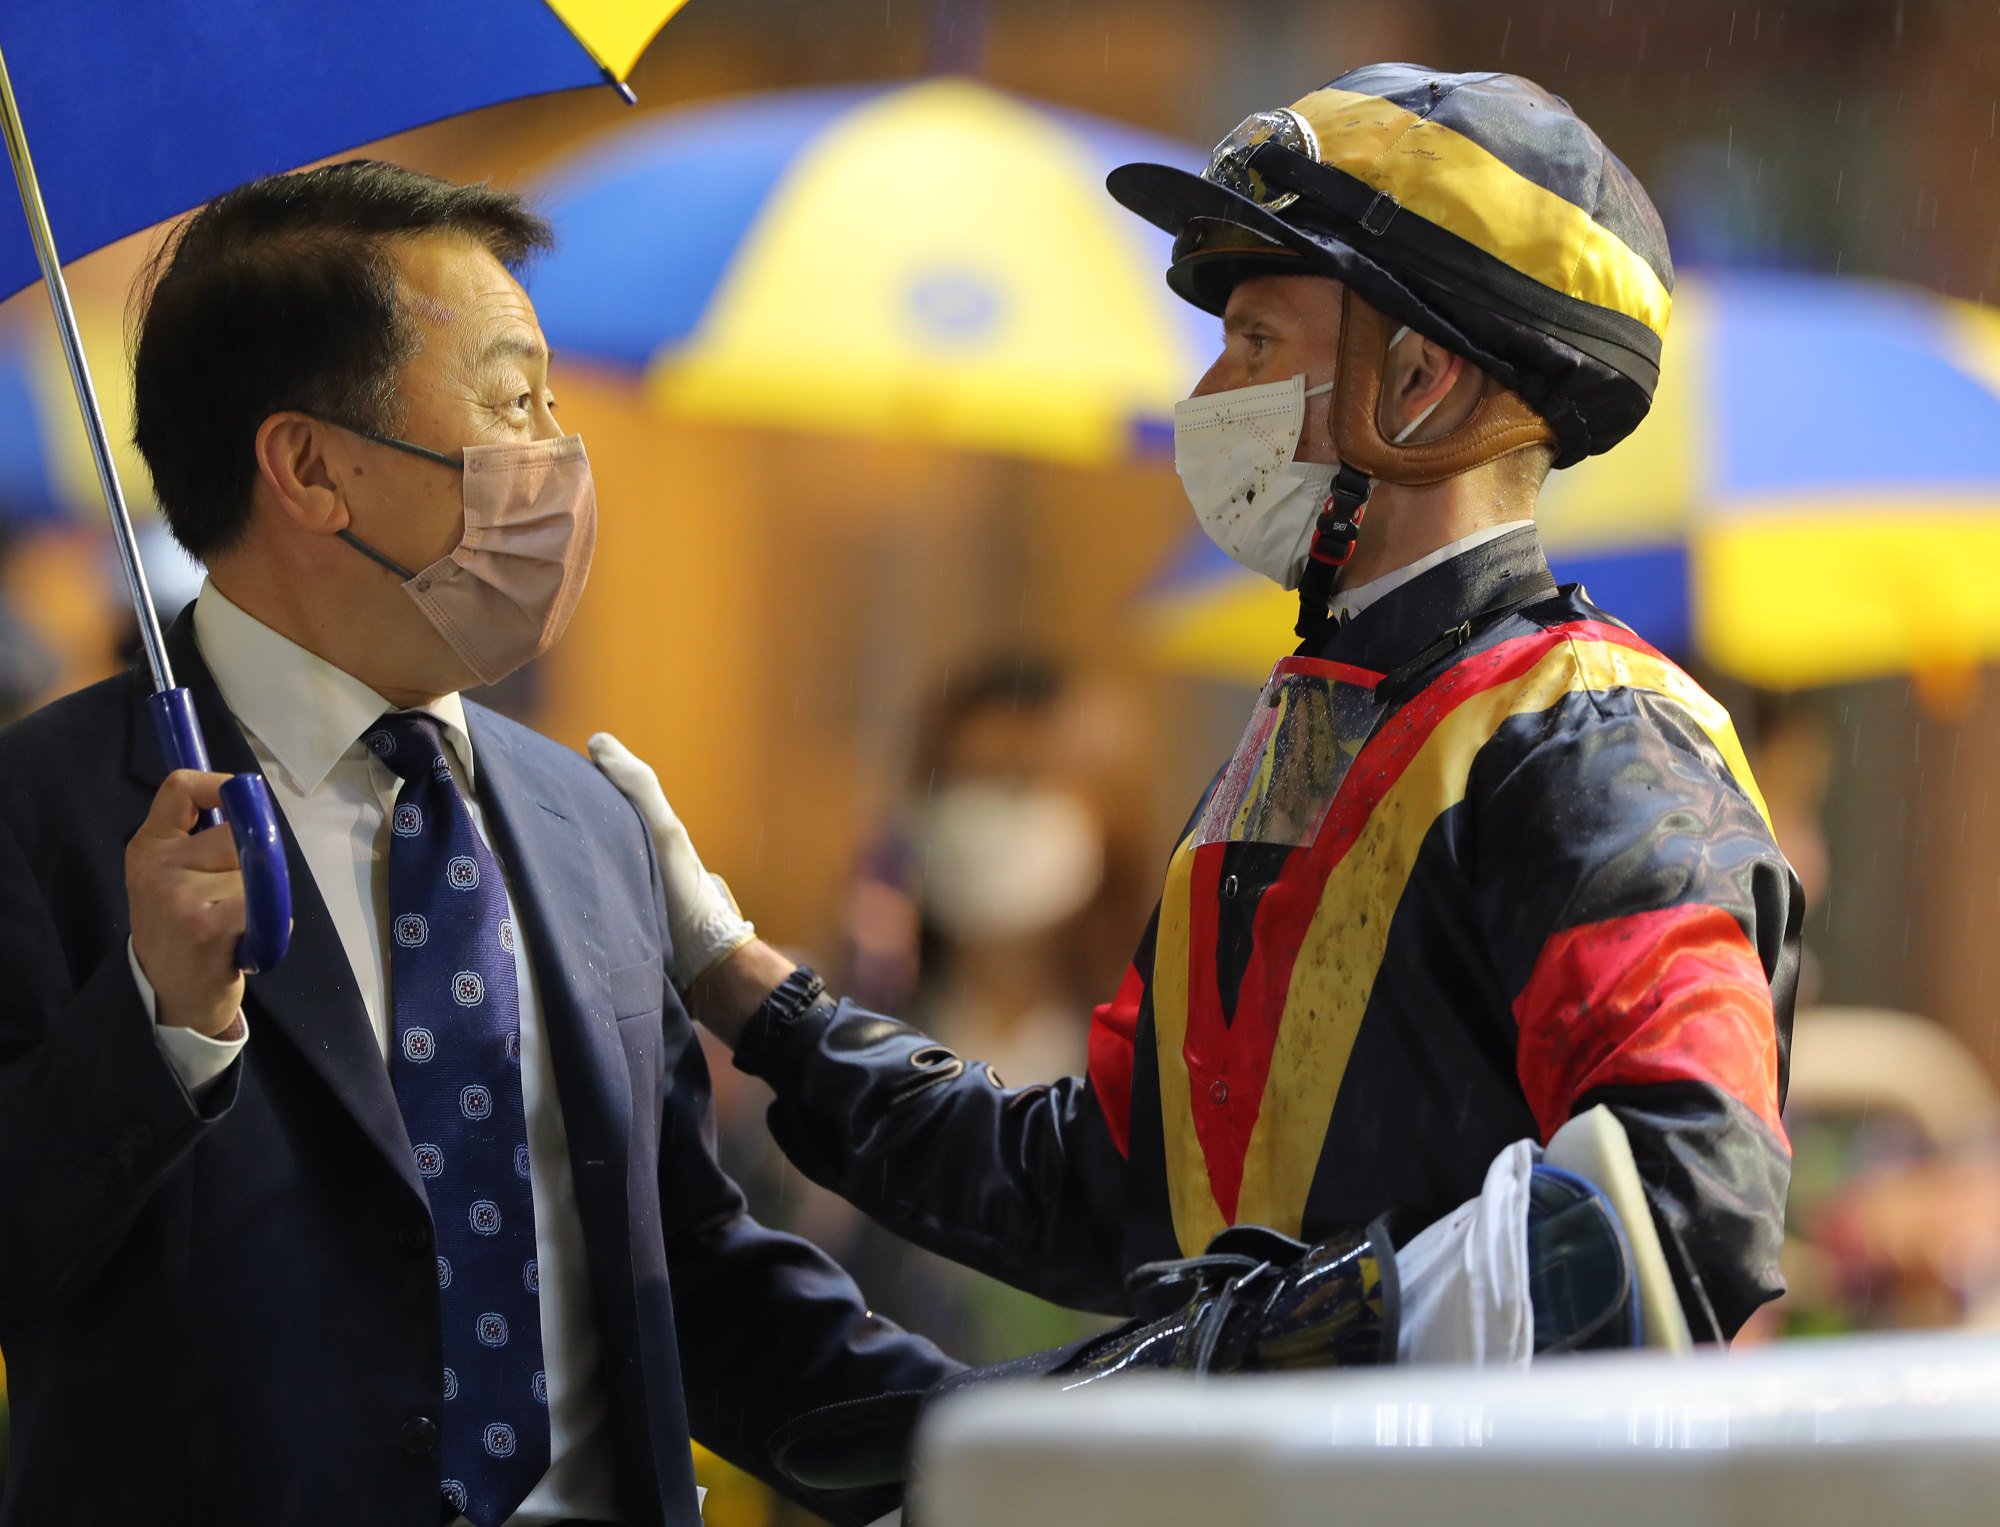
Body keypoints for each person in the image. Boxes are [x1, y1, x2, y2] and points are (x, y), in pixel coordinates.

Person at [592, 65, 1800, 1363]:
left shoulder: (1595, 741)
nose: (1212, 390)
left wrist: (1219, 1365)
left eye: (1258, 342)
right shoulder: (1317, 723)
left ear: (1421, 382)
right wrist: (741, 983)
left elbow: (1682, 1212)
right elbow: (1107, 1193)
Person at [0, 161, 955, 1527]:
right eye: (514, 404)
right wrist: (154, 1030)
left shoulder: (582, 819)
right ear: (313, 466)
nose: (560, 457)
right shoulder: (47, 814)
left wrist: (1023, 1452)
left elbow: (686, 1275)